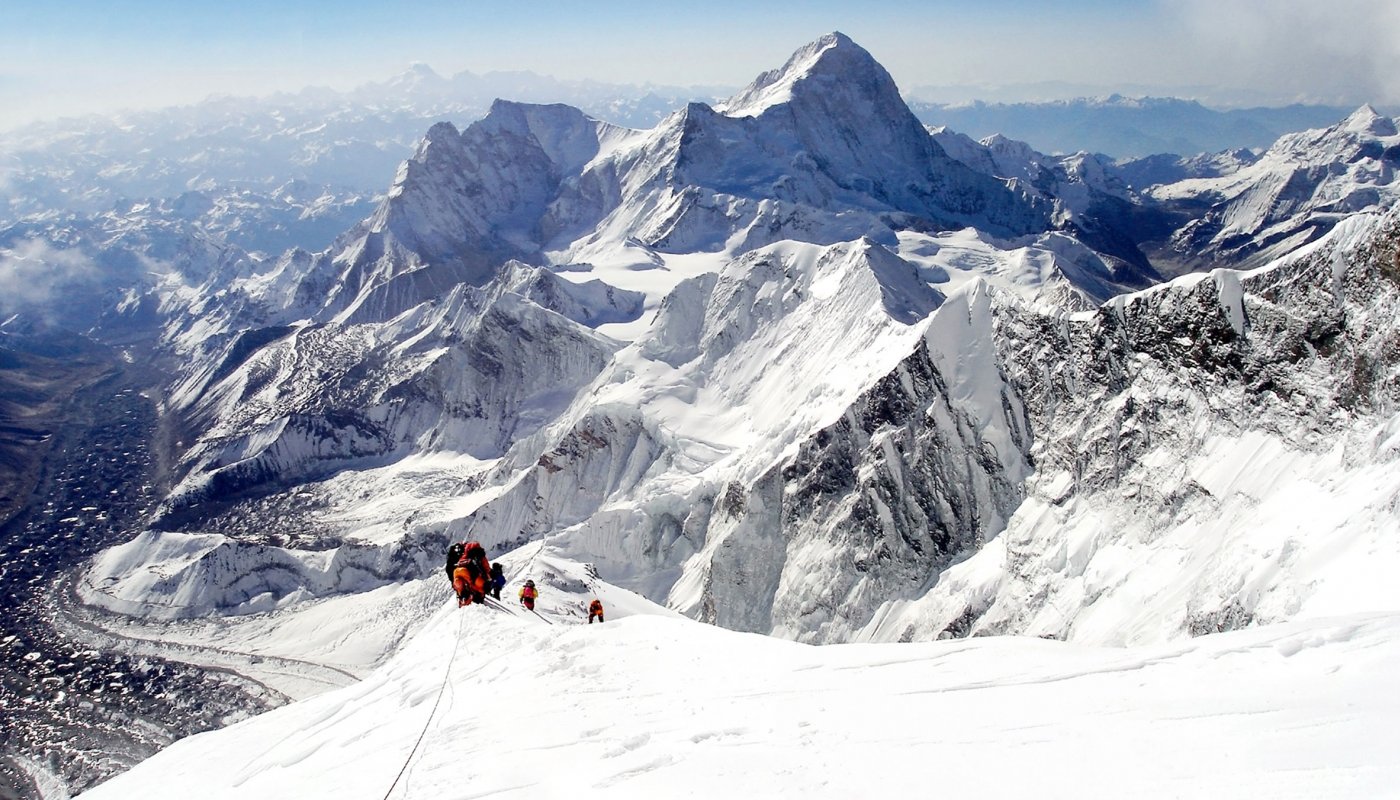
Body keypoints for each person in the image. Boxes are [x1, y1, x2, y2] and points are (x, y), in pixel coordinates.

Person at [452, 541, 491, 607]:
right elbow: (486, 568)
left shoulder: (465, 554)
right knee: (481, 587)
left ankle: (463, 597)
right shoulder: (480, 555)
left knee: (459, 584)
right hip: (472, 575)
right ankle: (473, 598)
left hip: (457, 572)